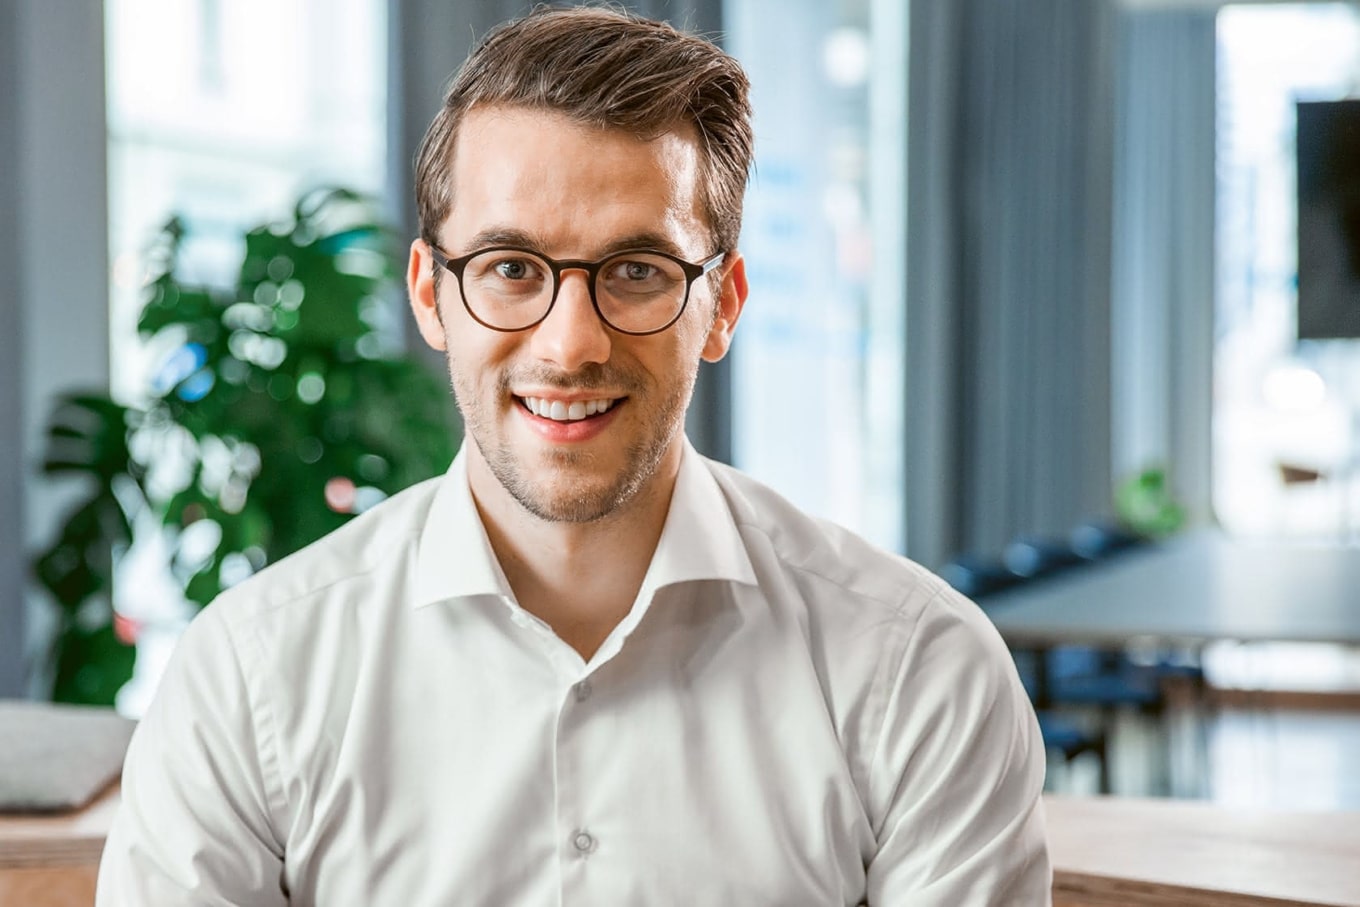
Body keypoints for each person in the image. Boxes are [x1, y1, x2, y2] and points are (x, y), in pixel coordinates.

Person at [97, 7, 1050, 905]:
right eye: (511, 269)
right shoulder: (251, 677)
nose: (571, 343)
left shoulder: (917, 670)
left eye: (636, 271)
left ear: (722, 305)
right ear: (430, 295)